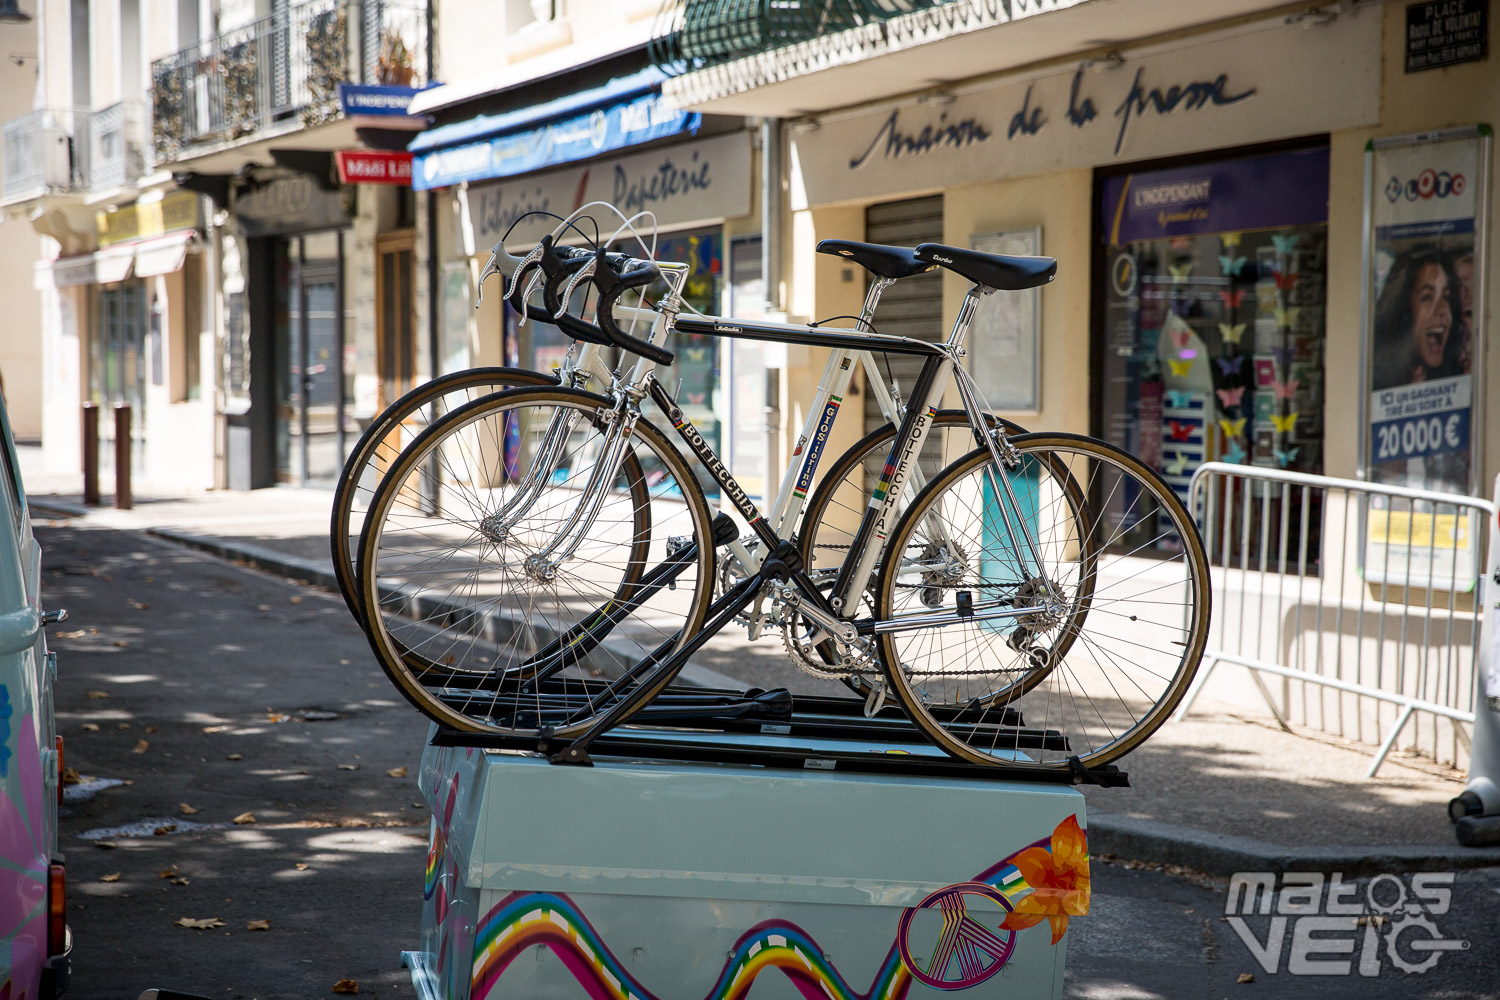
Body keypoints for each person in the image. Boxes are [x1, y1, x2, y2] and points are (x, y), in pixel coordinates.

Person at [1372, 247, 1468, 391]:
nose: (1442, 309)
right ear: (1404, 310)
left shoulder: (1459, 375)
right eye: (1427, 297)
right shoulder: (1376, 379)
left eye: (1446, 297)